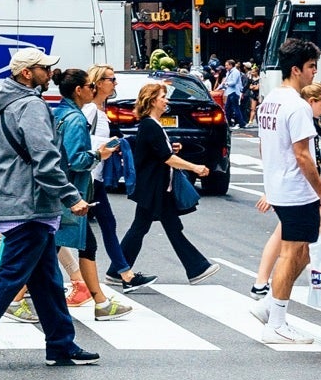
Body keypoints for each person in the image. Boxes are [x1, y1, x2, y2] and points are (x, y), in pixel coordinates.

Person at [0, 46, 98, 372]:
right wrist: (71, 197)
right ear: (27, 73)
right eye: (44, 68)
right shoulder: (31, 106)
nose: (51, 73)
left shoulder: (6, 105)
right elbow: (46, 161)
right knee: (10, 277)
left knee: (48, 281)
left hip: (16, 200)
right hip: (31, 205)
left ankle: (60, 344)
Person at [253, 37, 321, 344]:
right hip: (295, 188)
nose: (314, 72)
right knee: (292, 253)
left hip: (280, 185)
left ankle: (270, 305)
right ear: (296, 69)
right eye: (311, 66)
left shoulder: (270, 101)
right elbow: (303, 155)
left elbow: (266, 147)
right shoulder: (297, 106)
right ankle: (276, 321)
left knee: (302, 251)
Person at [119, 80, 214, 284]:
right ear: (152, 101)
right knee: (156, 228)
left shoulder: (152, 125)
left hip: (157, 186)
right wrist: (194, 167)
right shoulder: (150, 125)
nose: (166, 100)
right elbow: (166, 158)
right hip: (155, 187)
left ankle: (117, 270)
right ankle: (197, 267)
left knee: (150, 227)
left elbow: (160, 152)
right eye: (163, 97)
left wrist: (171, 148)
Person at [52, 70, 129, 320]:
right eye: (89, 86)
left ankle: (100, 301)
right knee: (44, 249)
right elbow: (76, 160)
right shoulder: (75, 119)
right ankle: (14, 298)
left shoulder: (59, 113)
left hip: (60, 190)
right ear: (78, 90)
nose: (92, 89)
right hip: (71, 191)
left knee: (82, 244)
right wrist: (99, 154)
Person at [81, 66, 151, 291]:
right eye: (112, 80)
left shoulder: (100, 109)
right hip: (88, 177)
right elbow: (80, 141)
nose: (115, 84)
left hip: (96, 176)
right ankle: (27, 282)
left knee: (107, 224)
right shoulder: (90, 110)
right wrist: (109, 146)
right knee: (68, 232)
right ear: (99, 83)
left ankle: (125, 274)